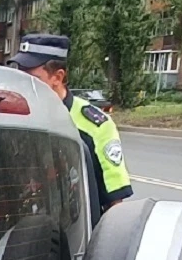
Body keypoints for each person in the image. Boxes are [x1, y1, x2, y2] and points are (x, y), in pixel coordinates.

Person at [7, 34, 133, 215]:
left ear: (57, 77)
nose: (23, 84)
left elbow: (115, 205)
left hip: (76, 234)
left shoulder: (95, 126)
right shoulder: (13, 117)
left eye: (32, 78)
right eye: (20, 75)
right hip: (22, 233)